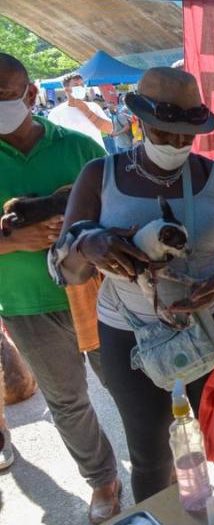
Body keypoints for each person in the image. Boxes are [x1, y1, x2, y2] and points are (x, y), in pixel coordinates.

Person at [52, 67, 214, 523]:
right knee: (150, 452)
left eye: (185, 134)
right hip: (130, 338)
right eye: (163, 132)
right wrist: (88, 244)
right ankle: (157, 518)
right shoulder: (99, 176)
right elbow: (64, 271)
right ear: (139, 122)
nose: (173, 144)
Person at [0, 53, 120, 524]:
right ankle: (103, 480)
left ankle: (160, 468)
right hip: (27, 304)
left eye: (4, 93)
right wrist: (10, 241)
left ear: (31, 95)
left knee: (129, 386)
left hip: (99, 295)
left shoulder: (80, 149)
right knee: (67, 401)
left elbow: (121, 215)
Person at [47, 73, 112, 150]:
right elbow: (52, 140)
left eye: (82, 84)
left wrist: (87, 111)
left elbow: (109, 129)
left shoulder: (93, 106)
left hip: (97, 155)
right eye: (76, 85)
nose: (80, 87)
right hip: (75, 158)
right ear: (66, 89)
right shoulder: (56, 113)